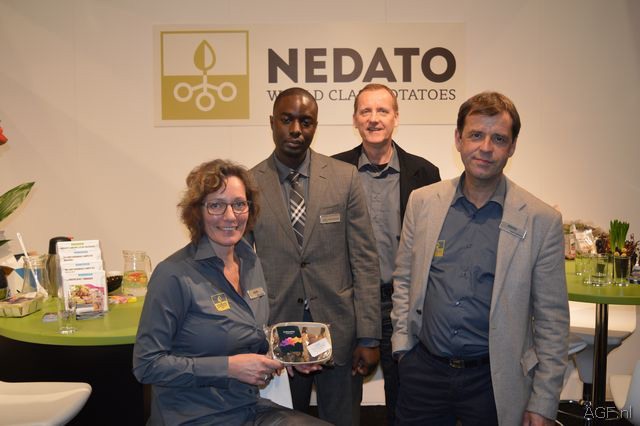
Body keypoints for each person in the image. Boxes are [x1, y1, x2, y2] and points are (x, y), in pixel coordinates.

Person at [391, 92, 569, 425]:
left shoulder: (540, 221)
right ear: (458, 139)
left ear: (512, 147)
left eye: (498, 138)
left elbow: (552, 322)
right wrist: (403, 347)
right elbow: (404, 279)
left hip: (494, 381)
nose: (486, 147)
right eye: (476, 135)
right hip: (424, 373)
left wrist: (543, 401)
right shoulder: (422, 203)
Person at [132, 159, 329, 425]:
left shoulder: (250, 262)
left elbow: (253, 336)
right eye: (216, 205)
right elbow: (147, 365)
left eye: (239, 204)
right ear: (197, 211)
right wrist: (228, 367)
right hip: (193, 416)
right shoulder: (172, 275)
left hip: (247, 407)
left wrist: (289, 356)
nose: (230, 216)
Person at [249, 87, 381, 426]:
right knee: (281, 422)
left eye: (305, 122)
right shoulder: (249, 185)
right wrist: (251, 338)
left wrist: (369, 336)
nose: (296, 129)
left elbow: (365, 261)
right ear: (272, 123)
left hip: (338, 332)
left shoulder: (344, 177)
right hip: (278, 334)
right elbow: (241, 269)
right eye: (287, 120)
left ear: (315, 126)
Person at [332, 83, 440, 425]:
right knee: (342, 400)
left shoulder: (425, 173)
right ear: (355, 119)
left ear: (396, 117)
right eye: (366, 111)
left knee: (406, 399)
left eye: (382, 111)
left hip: (401, 304)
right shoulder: (333, 171)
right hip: (349, 304)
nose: (374, 118)